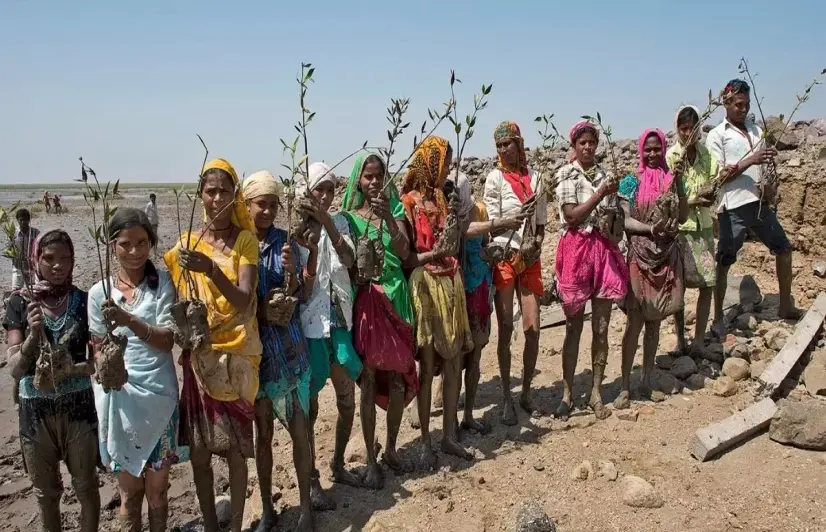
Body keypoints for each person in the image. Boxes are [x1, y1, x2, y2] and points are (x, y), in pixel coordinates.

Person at [164, 158, 262, 532]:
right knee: (201, 453)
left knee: (236, 452)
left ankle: (234, 525)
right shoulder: (185, 246)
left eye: (224, 190)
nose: (217, 197)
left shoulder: (245, 240)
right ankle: (209, 524)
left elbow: (242, 298)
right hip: (200, 358)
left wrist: (211, 270)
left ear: (234, 194)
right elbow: (178, 302)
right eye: (210, 190)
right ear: (200, 195)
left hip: (236, 356)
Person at [88, 208, 186, 532]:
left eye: (142, 242)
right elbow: (99, 348)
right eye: (125, 244)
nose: (134, 252)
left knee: (157, 491)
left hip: (159, 397)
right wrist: (105, 365)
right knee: (129, 493)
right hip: (121, 402)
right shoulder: (99, 294)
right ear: (111, 245)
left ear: (152, 243)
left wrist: (128, 319)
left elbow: (168, 339)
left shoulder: (162, 285)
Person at [3, 230, 100, 532]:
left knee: (86, 488)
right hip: (35, 414)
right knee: (46, 495)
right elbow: (15, 368)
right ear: (36, 260)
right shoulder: (20, 303)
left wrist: (72, 370)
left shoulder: (85, 301)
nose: (57, 265)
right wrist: (33, 336)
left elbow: (98, 364)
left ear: (73, 261)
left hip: (79, 411)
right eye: (49, 259)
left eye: (65, 259)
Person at [242, 170, 314, 532]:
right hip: (257, 358)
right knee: (263, 435)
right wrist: (260, 310)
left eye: (273, 205)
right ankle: (268, 509)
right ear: (246, 205)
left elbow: (301, 295)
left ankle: (305, 509)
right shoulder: (240, 245)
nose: (267, 211)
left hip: (290, 351)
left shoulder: (286, 243)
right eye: (261, 205)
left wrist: (292, 274)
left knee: (300, 430)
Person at [342, 153, 416, 489]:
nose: (373, 182)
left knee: (399, 377)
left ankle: (391, 447)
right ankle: (371, 461)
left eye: (379, 175)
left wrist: (388, 218)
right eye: (368, 177)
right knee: (370, 380)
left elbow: (402, 253)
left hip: (397, 298)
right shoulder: (349, 219)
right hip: (369, 304)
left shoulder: (396, 210)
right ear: (358, 180)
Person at [705, 79, 802, 334]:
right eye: (739, 104)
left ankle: (784, 305)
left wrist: (768, 163)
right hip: (733, 207)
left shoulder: (756, 130)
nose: (744, 109)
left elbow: (762, 165)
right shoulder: (717, 135)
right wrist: (751, 160)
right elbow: (718, 178)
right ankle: (717, 318)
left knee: (783, 248)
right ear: (726, 103)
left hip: (759, 204)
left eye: (746, 104)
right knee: (724, 261)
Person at [401, 137, 474, 466]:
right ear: (430, 163)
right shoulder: (409, 201)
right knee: (428, 365)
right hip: (428, 282)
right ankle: (426, 441)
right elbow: (407, 254)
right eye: (443, 161)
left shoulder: (444, 197)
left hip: (451, 280)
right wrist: (438, 252)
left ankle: (448, 436)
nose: (447, 167)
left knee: (455, 360)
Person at [295, 163, 364, 506]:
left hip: (338, 322)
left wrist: (326, 224)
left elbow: (350, 260)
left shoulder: (340, 223)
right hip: (309, 327)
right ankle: (311, 481)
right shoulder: (295, 233)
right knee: (309, 408)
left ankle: (337, 462)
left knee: (346, 399)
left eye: (329, 189)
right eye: (317, 189)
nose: (323, 195)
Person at [553, 120, 629, 420]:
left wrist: (612, 214)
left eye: (591, 143)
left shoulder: (604, 175)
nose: (587, 147)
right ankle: (568, 394)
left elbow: (612, 224)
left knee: (601, 327)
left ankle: (596, 392)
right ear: (574, 145)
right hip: (576, 250)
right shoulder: (566, 174)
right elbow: (571, 216)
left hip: (602, 251)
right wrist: (600, 194)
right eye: (582, 143)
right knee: (573, 327)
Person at [615, 129, 688, 408]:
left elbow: (682, 216)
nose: (653, 154)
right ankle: (624, 386)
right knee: (634, 321)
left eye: (657, 149)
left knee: (655, 321)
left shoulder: (671, 179)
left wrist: (679, 185)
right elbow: (626, 221)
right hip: (639, 255)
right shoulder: (631, 182)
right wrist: (650, 229)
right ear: (640, 151)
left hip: (665, 255)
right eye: (648, 149)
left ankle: (646, 382)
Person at [483, 121, 547, 424]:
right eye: (499, 145)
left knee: (532, 329)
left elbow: (543, 222)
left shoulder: (536, 178)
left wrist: (536, 245)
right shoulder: (494, 179)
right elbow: (493, 221)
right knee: (506, 328)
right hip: (505, 256)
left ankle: (526, 392)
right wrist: (513, 220)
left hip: (529, 257)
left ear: (519, 144)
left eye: (508, 143)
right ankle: (507, 395)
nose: (504, 149)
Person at [451, 171, 523, 432]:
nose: (454, 198)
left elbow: (481, 244)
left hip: (478, 291)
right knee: (455, 358)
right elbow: (463, 232)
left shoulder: (478, 210)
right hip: (455, 294)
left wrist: (489, 253)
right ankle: (452, 419)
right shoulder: (447, 217)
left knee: (475, 356)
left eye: (457, 192)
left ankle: (468, 414)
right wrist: (498, 223)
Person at [667, 106, 719, 354]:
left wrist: (700, 197)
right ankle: (680, 340)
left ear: (699, 129)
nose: (688, 133)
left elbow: (713, 188)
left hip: (704, 228)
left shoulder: (708, 156)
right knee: (679, 286)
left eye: (692, 128)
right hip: (680, 230)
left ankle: (698, 340)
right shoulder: (671, 158)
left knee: (707, 283)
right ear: (677, 129)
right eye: (683, 128)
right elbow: (669, 199)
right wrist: (695, 200)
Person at [11, 208, 39, 291]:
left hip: (31, 267)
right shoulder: (13, 233)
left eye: (26, 220)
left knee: (33, 290)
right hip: (18, 266)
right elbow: (10, 250)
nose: (24, 222)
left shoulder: (35, 232)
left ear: (29, 220)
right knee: (16, 290)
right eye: (21, 220)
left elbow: (40, 249)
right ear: (17, 220)